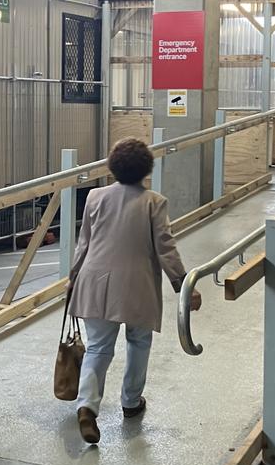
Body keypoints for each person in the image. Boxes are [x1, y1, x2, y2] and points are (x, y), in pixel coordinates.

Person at [67, 138, 202, 445]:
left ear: (112, 167)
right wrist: (184, 285)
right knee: (139, 342)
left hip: (94, 281)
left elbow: (83, 244)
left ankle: (87, 405)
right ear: (146, 170)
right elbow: (165, 247)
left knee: (99, 347)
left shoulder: (94, 197)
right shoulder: (154, 202)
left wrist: (73, 277)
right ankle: (131, 402)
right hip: (137, 285)